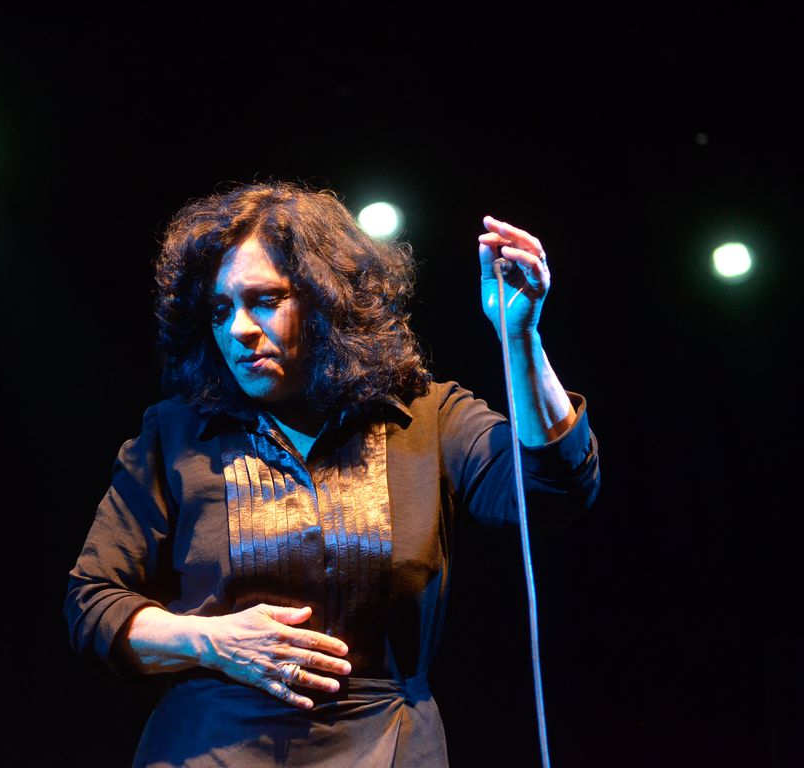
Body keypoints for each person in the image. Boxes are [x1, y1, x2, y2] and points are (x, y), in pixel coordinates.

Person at [64, 181, 600, 766]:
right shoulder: (175, 434)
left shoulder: (424, 415)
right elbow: (93, 605)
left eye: (265, 300)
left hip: (387, 744)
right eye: (220, 310)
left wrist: (518, 337)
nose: (239, 328)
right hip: (210, 747)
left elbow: (550, 489)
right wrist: (211, 640)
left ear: (326, 301)